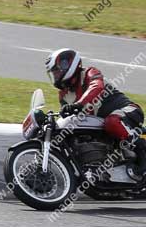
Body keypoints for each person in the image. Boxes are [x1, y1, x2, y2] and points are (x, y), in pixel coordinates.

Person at [46, 48, 146, 180]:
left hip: (127, 112)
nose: (56, 75)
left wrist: (79, 104)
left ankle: (142, 150)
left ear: (68, 65)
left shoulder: (89, 73)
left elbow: (96, 86)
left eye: (57, 71)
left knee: (112, 122)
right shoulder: (64, 95)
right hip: (103, 126)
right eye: (54, 73)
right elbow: (70, 119)